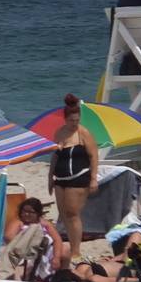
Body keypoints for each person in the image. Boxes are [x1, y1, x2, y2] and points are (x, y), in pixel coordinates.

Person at [47, 94, 99, 263]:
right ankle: (70, 244)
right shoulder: (59, 133)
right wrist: (50, 176)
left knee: (73, 213)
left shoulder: (83, 133)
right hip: (60, 178)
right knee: (63, 215)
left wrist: (93, 179)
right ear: (65, 119)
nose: (74, 123)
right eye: (71, 121)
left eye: (76, 120)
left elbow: (93, 156)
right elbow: (55, 156)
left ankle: (76, 250)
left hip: (78, 177)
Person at [2, 196, 66, 280]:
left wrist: (56, 257)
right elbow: (8, 237)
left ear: (38, 213)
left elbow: (57, 239)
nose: (26, 214)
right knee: (26, 265)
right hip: (24, 253)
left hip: (45, 253)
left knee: (66, 248)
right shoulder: (18, 222)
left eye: (31, 212)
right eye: (24, 211)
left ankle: (63, 273)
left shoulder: (45, 224)